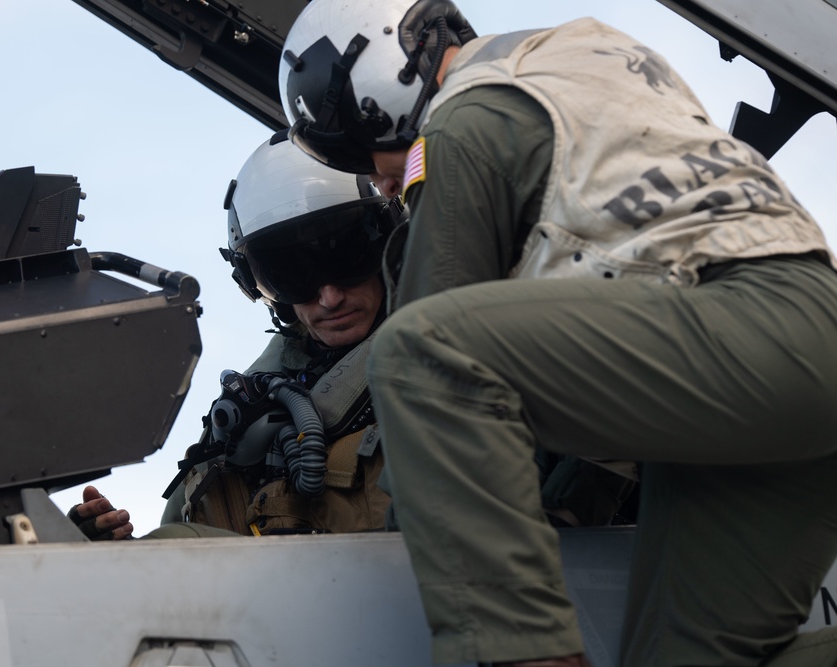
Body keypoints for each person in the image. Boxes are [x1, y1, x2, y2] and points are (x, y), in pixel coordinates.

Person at [279, 2, 837, 667]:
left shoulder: (458, 125)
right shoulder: (585, 56)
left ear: (376, 88)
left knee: (419, 352)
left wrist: (406, 544)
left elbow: (431, 358)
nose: (375, 176)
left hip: (748, 334)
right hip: (776, 364)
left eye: (355, 146)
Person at [70, 134, 635, 541]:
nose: (330, 296)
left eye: (349, 257)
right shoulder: (247, 411)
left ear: (396, 243)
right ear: (258, 285)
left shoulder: (486, 356)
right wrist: (116, 556)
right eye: (293, 276)